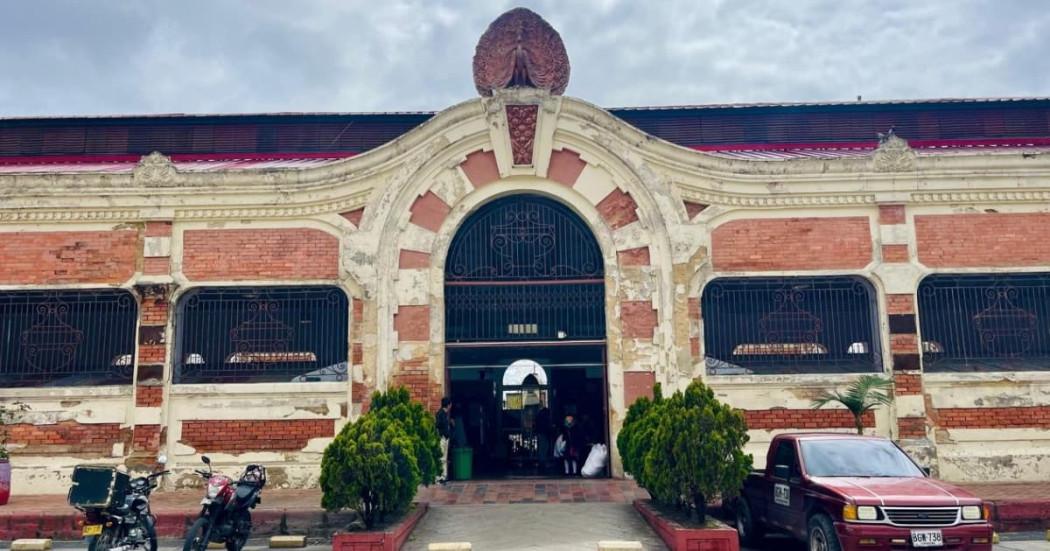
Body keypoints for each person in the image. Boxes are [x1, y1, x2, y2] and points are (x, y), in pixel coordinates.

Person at [435, 397, 453, 483]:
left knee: (445, 458)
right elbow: (437, 425)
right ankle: (439, 477)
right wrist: (443, 434)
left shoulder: (445, 414)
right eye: (450, 404)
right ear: (448, 405)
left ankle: (444, 476)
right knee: (441, 457)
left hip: (446, 438)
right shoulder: (440, 414)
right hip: (442, 438)